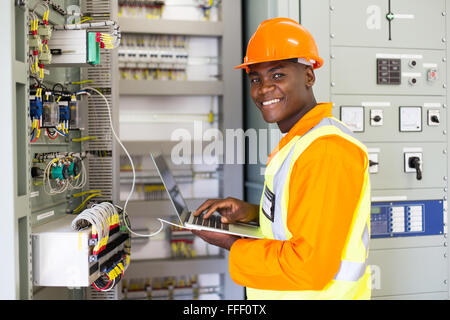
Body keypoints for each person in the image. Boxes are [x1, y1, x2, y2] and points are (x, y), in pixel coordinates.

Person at [191, 17, 371, 300]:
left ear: (309, 76)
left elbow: (308, 267)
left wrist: (232, 243)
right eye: (256, 79)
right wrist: (249, 213)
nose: (263, 89)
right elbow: (299, 219)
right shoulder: (299, 142)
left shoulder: (326, 151)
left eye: (278, 75)